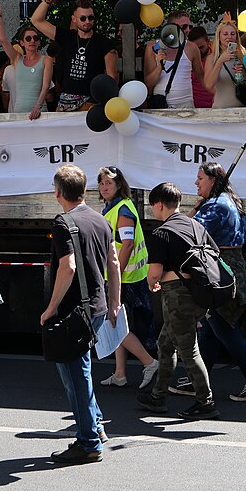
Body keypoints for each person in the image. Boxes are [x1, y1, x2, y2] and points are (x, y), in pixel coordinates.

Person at [42, 165, 120, 463]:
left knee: (76, 376)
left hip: (72, 310)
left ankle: (88, 442)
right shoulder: (100, 220)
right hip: (96, 306)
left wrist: (51, 308)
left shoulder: (63, 222)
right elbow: (113, 263)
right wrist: (115, 301)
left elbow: (68, 267)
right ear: (84, 190)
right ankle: (95, 426)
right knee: (78, 372)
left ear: (58, 192)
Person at [137, 182, 219, 419]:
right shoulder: (195, 225)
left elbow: (154, 273)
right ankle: (157, 396)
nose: (154, 210)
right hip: (200, 294)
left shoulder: (162, 232)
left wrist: (152, 282)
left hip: (177, 296)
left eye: (153, 206)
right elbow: (214, 255)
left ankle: (206, 402)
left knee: (189, 350)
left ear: (159, 204)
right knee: (165, 343)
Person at [188, 162, 246, 402]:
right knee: (214, 330)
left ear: (213, 180)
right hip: (233, 270)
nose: (196, 183)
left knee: (225, 329)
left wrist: (195, 210)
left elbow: (189, 231)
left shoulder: (215, 206)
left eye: (200, 178)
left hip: (221, 272)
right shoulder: (230, 201)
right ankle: (198, 380)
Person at [96, 166, 158, 390]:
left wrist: (116, 275)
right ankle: (120, 373)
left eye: (109, 183)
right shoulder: (113, 208)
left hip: (126, 278)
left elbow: (128, 244)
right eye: (102, 183)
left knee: (114, 324)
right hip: (128, 276)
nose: (104, 187)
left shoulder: (122, 209)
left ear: (119, 185)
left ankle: (149, 363)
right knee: (116, 322)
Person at [30, 0, 119, 112]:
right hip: (64, 102)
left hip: (91, 103)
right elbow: (36, 20)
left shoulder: (104, 43)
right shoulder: (66, 37)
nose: (87, 21)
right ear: (74, 19)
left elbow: (112, 78)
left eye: (90, 18)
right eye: (83, 18)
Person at [0, 2, 52, 118]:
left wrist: (37, 106)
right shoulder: (17, 59)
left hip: (39, 112)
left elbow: (46, 87)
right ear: (22, 42)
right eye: (28, 38)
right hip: (19, 111)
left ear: (39, 42)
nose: (32, 41)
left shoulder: (46, 60)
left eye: (36, 38)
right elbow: (3, 40)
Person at [144, 10, 203, 109]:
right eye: (184, 27)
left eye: (190, 26)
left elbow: (202, 77)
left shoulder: (192, 48)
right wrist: (160, 67)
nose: (188, 30)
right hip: (161, 105)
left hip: (186, 106)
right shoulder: (153, 47)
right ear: (171, 27)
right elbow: (148, 83)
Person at [204, 17, 246, 108]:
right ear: (219, 37)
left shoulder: (242, 56)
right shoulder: (212, 58)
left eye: (233, 34)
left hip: (242, 108)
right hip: (221, 109)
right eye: (225, 34)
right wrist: (220, 61)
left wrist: (243, 75)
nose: (229, 37)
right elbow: (208, 85)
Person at [188, 27, 215, 109]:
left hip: (216, 106)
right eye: (195, 48)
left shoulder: (217, 58)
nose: (197, 51)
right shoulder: (187, 61)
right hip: (194, 109)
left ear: (208, 42)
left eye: (201, 47)